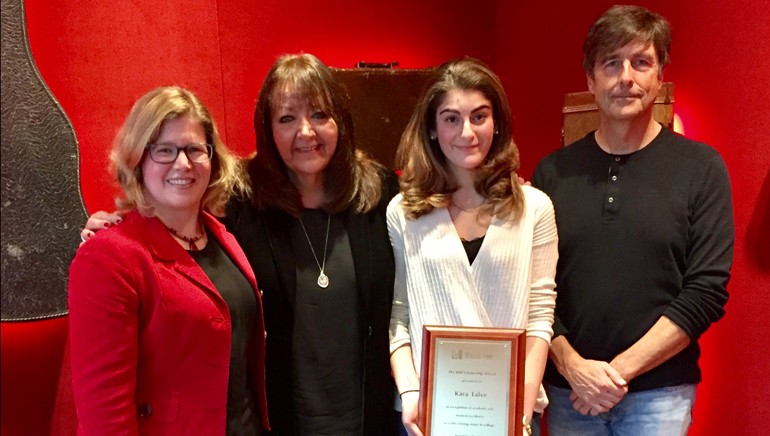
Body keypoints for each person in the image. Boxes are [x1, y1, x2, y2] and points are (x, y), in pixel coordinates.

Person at [81, 54, 398, 435]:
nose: (306, 132)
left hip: (367, 417)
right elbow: (166, 212)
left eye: (319, 114)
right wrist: (112, 224)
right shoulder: (242, 202)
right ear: (267, 130)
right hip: (279, 420)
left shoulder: (380, 195)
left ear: (341, 122)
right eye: (286, 118)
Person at [531, 6, 734, 435]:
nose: (626, 77)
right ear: (590, 80)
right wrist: (574, 368)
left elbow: (706, 292)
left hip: (659, 397)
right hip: (571, 395)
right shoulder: (552, 173)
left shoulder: (701, 167)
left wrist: (616, 373)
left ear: (659, 76)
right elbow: (534, 289)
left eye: (641, 62)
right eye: (611, 63)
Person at [68, 86, 269, 435]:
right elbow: (104, 416)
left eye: (194, 149)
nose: (183, 163)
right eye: (164, 150)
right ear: (136, 160)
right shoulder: (108, 257)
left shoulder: (223, 237)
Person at [387, 57, 558, 436]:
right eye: (451, 118)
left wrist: (521, 412)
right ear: (432, 128)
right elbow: (400, 316)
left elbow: (539, 318)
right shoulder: (403, 212)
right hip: (428, 414)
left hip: (510, 412)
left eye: (479, 116)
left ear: (497, 124)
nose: (467, 132)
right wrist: (411, 393)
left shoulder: (534, 208)